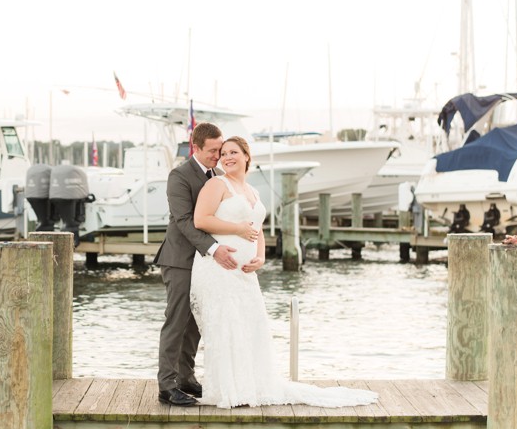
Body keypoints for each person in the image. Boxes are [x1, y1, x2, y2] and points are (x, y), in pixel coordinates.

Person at [189, 136, 378, 409]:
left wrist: (261, 256)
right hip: (218, 268)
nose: (227, 157)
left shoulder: (251, 191)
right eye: (223, 153)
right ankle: (228, 390)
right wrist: (238, 230)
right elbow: (201, 220)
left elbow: (257, 229)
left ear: (246, 156)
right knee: (227, 327)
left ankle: (249, 385)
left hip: (244, 272)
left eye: (233, 152)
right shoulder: (216, 184)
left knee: (250, 326)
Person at [154, 122, 240, 406]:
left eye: (221, 149)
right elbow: (184, 221)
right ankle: (166, 386)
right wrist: (214, 250)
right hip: (179, 259)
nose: (218, 155)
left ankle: (186, 377)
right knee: (177, 320)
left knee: (195, 322)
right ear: (196, 148)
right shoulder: (178, 176)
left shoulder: (217, 176)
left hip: (204, 264)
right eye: (213, 150)